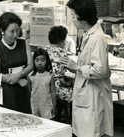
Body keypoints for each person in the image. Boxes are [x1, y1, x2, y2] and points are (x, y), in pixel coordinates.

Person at [61, 0, 113, 137]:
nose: (72, 20)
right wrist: (74, 68)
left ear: (83, 19)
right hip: (85, 92)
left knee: (90, 132)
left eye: (73, 16)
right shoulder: (88, 34)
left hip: (92, 95)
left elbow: (100, 70)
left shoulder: (97, 38)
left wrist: (77, 67)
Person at [0, 12, 33, 113]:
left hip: (23, 88)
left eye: (17, 31)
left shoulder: (23, 43)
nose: (15, 35)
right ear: (2, 31)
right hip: (6, 91)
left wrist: (19, 75)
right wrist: (16, 80)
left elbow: (31, 65)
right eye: (12, 31)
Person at [46, 25, 74, 123]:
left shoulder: (44, 50)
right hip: (57, 90)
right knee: (76, 93)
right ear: (61, 41)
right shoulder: (63, 54)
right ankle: (71, 121)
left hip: (43, 86)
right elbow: (73, 70)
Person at [27, 48, 57, 119]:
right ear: (33, 61)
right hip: (34, 105)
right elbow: (29, 92)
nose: (40, 63)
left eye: (43, 60)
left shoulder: (49, 76)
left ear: (47, 61)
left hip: (46, 105)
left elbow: (53, 91)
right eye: (37, 60)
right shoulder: (30, 76)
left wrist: (54, 105)